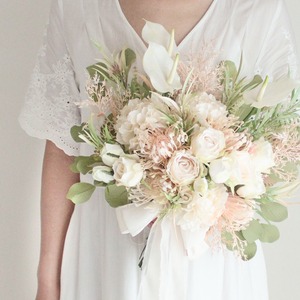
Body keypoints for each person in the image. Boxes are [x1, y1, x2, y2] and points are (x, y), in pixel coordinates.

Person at [19, 0, 299, 299]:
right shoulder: (76, 8)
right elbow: (64, 147)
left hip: (210, 258)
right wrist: (47, 281)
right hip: (103, 251)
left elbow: (280, 145)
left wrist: (204, 191)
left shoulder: (259, 10)